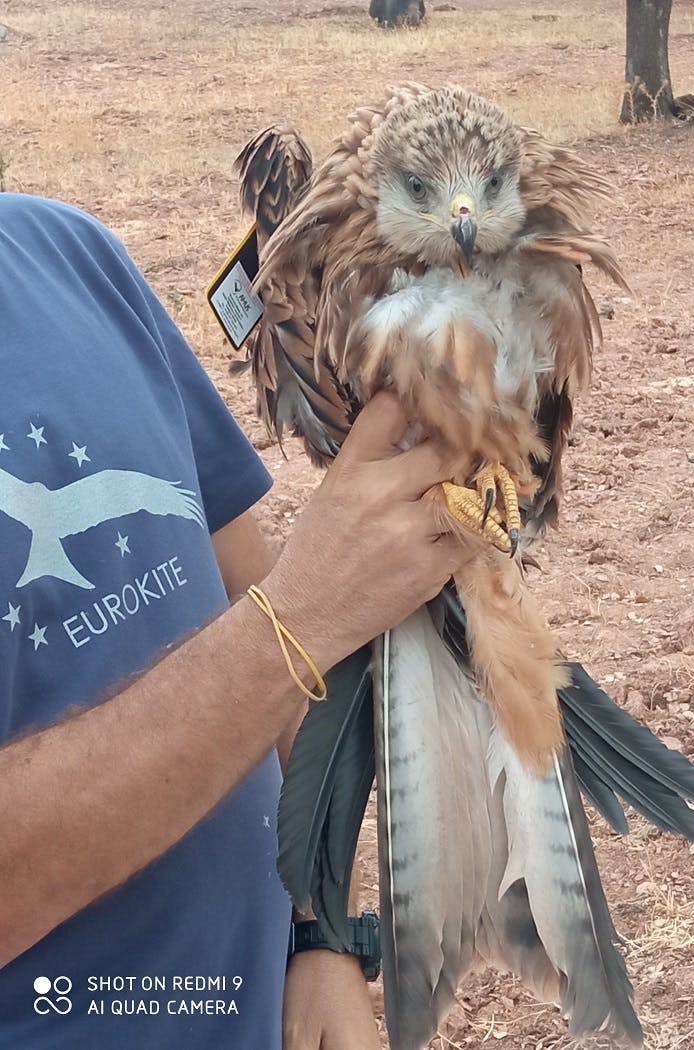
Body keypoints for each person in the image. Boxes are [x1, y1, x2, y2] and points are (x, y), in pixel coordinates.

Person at [0, 193, 470, 1049]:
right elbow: (280, 617)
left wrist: (324, 927)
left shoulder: (72, 253)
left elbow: (241, 587)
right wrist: (303, 616)